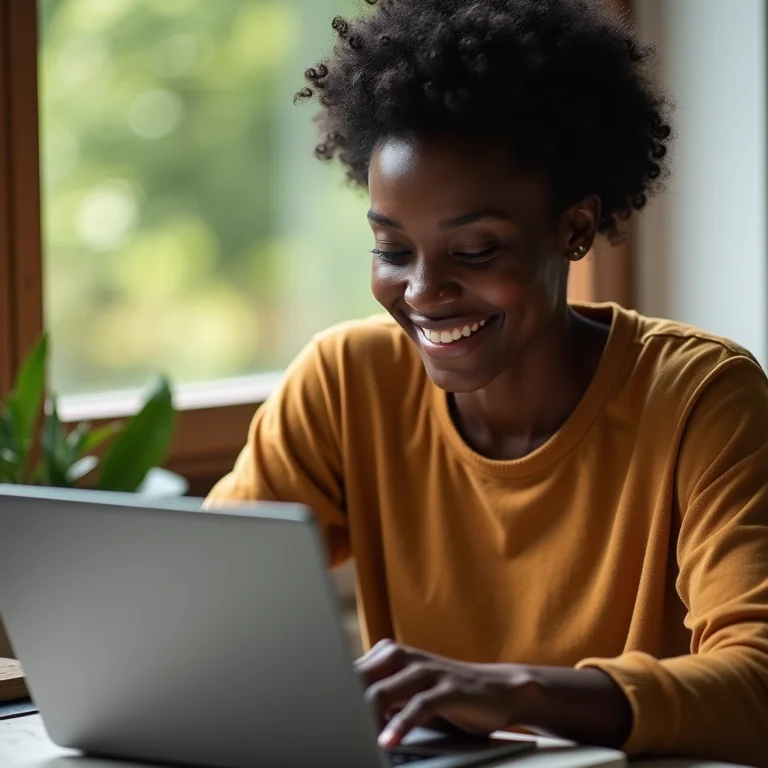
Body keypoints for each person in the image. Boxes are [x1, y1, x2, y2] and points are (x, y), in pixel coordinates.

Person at [206, 0, 768, 764]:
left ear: (573, 229)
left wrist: (514, 692)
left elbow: (757, 682)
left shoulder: (704, 398)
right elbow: (205, 614)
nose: (424, 292)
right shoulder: (346, 382)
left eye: (474, 251)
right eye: (393, 250)